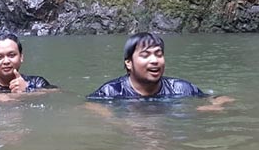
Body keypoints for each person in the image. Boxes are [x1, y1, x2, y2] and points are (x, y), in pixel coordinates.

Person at [87, 32, 233, 110]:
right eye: (145, 55)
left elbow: (224, 98)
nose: (154, 60)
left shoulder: (179, 88)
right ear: (129, 63)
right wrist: (108, 116)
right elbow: (87, 105)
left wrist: (213, 105)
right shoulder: (111, 91)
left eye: (158, 54)